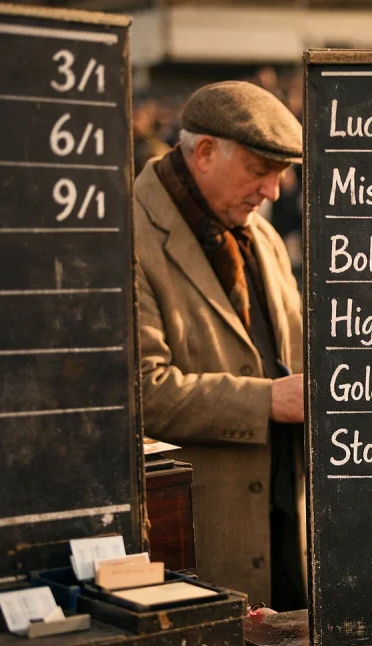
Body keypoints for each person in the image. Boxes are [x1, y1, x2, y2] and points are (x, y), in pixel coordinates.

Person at [133, 81, 306, 610]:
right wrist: (267, 400)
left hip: (286, 529)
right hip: (199, 539)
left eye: (282, 174)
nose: (274, 191)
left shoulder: (262, 235)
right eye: (260, 172)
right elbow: (141, 390)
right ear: (204, 152)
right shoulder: (127, 238)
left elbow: (292, 350)